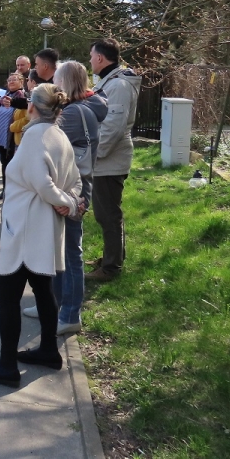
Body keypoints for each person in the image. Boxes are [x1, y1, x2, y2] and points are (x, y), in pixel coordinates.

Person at [0, 84, 82, 387]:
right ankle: (48, 350)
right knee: (43, 288)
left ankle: (7, 365)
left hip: (26, 227)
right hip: (44, 226)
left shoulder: (35, 136)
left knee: (8, 294)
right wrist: (70, 201)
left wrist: (66, 202)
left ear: (32, 107)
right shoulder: (58, 135)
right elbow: (75, 181)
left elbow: (42, 184)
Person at [23, 60, 107, 333]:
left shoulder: (72, 113)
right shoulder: (81, 109)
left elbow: (51, 154)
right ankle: (54, 304)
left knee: (70, 254)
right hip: (70, 191)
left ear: (66, 82)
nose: (53, 84)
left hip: (71, 193)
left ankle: (70, 315)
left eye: (56, 79)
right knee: (58, 252)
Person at [86, 38, 142, 282]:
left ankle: (111, 268)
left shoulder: (118, 85)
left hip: (109, 160)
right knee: (107, 214)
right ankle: (112, 258)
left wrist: (94, 155)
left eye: (91, 56)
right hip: (106, 159)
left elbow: (113, 128)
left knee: (108, 215)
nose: (90, 60)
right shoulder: (110, 82)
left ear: (100, 58)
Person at [0, 72, 27, 200]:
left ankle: (10, 191)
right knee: (4, 163)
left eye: (14, 80)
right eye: (9, 80)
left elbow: (23, 116)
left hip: (12, 137)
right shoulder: (6, 95)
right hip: (3, 135)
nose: (11, 82)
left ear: (21, 82)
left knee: (11, 165)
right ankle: (5, 189)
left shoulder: (21, 96)